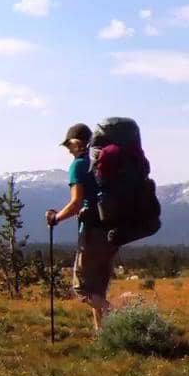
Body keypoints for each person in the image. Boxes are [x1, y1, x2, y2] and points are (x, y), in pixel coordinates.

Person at [46, 123, 118, 332]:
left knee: (82, 289)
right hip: (112, 230)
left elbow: (76, 202)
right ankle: (101, 334)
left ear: (78, 143)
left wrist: (56, 218)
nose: (68, 149)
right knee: (98, 289)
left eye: (69, 144)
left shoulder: (78, 165)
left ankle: (123, 316)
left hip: (92, 231)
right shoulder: (101, 161)